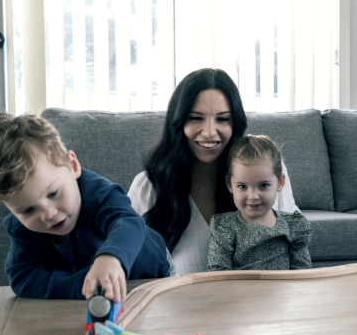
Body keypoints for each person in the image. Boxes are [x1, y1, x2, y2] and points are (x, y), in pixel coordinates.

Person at [0, 113, 171, 302]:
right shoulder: (22, 228)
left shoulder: (100, 195)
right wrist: (85, 285)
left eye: (53, 193)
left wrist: (110, 258)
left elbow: (129, 223)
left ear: (72, 166)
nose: (48, 214)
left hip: (154, 274)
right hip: (98, 293)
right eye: (28, 210)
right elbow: (23, 277)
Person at [128, 68, 300, 274]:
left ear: (235, 123)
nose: (209, 132)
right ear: (179, 121)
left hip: (261, 304)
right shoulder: (149, 186)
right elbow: (128, 263)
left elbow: (294, 257)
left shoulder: (266, 172)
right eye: (196, 118)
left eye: (222, 119)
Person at [208, 135, 312, 271]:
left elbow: (302, 271)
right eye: (242, 186)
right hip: (240, 291)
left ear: (280, 182)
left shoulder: (293, 225)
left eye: (263, 185)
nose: (253, 196)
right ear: (229, 184)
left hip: (283, 290)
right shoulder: (225, 227)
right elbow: (218, 272)